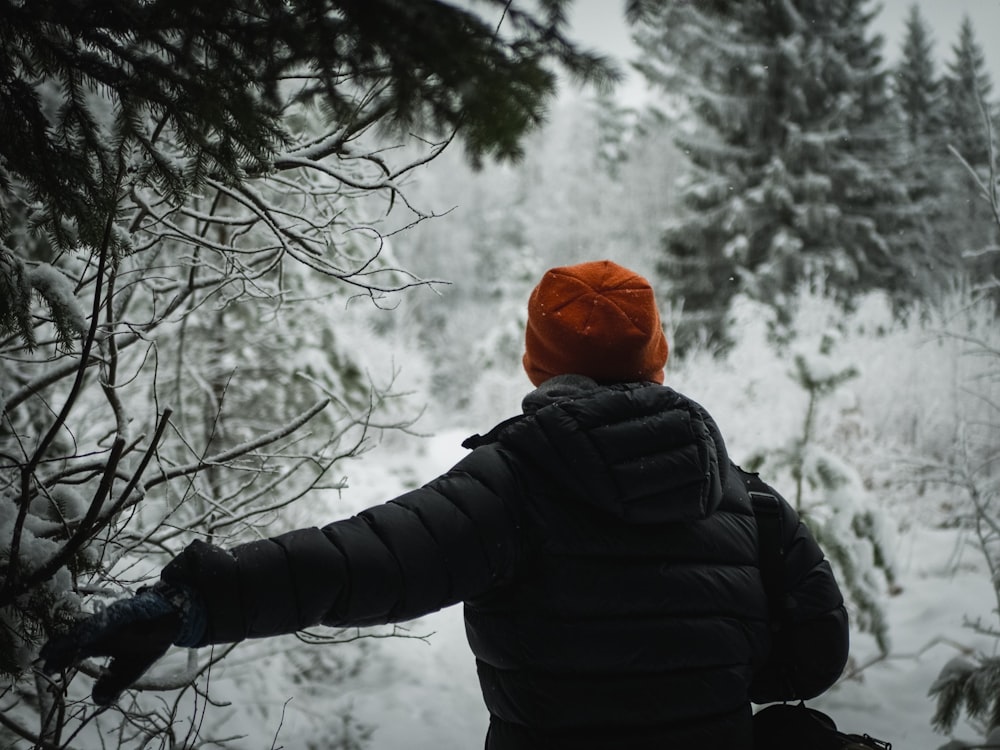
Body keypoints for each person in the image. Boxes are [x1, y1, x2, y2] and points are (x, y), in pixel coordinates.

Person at [42, 260, 849, 749]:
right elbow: (812, 659)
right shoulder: (740, 492)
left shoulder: (516, 481)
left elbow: (360, 560)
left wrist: (192, 602)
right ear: (656, 359)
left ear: (541, 364)